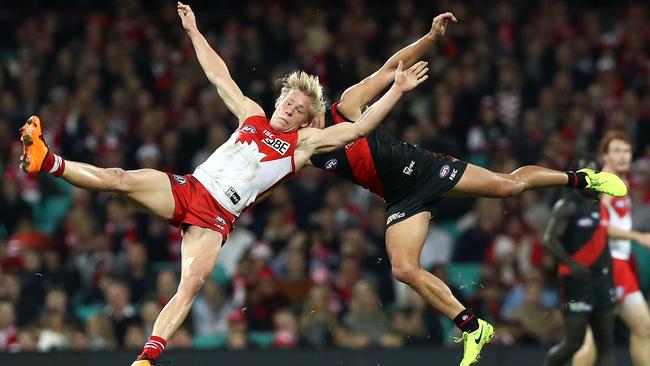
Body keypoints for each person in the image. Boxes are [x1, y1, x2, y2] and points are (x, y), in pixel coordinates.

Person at [17, 3, 429, 365]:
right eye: (287, 101)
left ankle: (147, 357)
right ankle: (48, 160)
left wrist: (396, 90)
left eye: (298, 109)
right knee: (119, 179)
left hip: (215, 220)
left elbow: (359, 129)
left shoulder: (304, 144)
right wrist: (195, 32)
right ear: (279, 99)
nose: (288, 109)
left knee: (191, 284)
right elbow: (219, 75)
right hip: (190, 189)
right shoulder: (251, 114)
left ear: (306, 119)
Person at [306, 11, 628, 366]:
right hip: (399, 196)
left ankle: (581, 178)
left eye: (295, 111)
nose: (291, 119)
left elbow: (389, 68)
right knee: (403, 268)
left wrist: (430, 38)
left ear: (311, 107)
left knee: (508, 186)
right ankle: (473, 327)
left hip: (424, 169)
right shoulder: (309, 150)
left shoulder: (345, 106)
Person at [573, 131, 650, 366]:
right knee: (595, 337)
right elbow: (599, 226)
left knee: (643, 328)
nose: (623, 156)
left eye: (626, 151)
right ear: (604, 155)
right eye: (616, 151)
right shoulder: (605, 182)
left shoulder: (620, 182)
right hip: (606, 265)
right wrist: (638, 236)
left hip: (619, 265)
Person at [542, 157, 616, 366]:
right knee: (574, 343)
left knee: (606, 343)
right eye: (586, 174)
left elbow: (603, 243)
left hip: (602, 282)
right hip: (575, 281)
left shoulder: (601, 204)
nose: (590, 179)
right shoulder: (567, 205)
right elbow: (549, 238)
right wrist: (571, 264)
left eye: (594, 174)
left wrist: (610, 276)